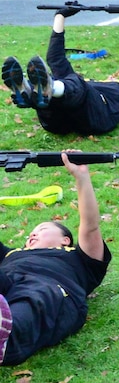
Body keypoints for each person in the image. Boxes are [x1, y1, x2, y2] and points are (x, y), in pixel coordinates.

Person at [0, 153, 110, 365]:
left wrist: (82, 177)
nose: (31, 235)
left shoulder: (78, 259)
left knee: (33, 304)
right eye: (30, 233)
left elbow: (90, 225)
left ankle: (6, 335)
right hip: (6, 281)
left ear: (65, 240)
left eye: (41, 229)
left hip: (45, 288)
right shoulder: (11, 255)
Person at [2, 4, 119, 135]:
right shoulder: (88, 86)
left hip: (97, 118)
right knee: (67, 84)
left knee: (76, 83)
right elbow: (55, 59)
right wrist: (60, 16)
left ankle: (37, 89)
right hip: (59, 123)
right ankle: (32, 93)